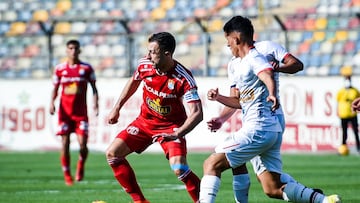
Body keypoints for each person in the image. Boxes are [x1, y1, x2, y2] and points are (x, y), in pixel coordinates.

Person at [198, 15, 341, 203]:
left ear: (236, 38)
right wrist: (219, 104)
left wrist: (273, 90)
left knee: (211, 164)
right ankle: (322, 200)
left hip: (261, 125)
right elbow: (238, 100)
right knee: (272, 188)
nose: (227, 46)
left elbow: (270, 73)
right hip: (265, 127)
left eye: (227, 41)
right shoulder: (234, 64)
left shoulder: (260, 52)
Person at [106, 32, 203, 203]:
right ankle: (140, 201)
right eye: (148, 51)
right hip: (145, 122)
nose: (148, 56)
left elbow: (197, 113)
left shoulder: (183, 78)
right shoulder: (145, 65)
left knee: (179, 168)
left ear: (167, 54)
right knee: (113, 154)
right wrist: (117, 108)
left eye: (153, 52)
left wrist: (178, 133)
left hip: (171, 127)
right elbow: (133, 82)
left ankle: (204, 201)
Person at [49, 39, 99, 186]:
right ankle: (67, 175)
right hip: (64, 114)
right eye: (70, 48)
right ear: (66, 50)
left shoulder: (86, 68)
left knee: (83, 145)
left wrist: (96, 103)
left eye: (75, 48)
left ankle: (81, 166)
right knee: (64, 144)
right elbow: (55, 88)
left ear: (79, 50)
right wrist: (51, 102)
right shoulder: (59, 69)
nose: (73, 51)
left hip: (80, 114)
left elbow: (94, 88)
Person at [336, 73, 360, 152]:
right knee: (344, 132)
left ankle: (358, 147)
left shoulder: (355, 90)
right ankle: (343, 148)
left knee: (356, 131)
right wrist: (338, 112)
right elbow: (338, 102)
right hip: (344, 114)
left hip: (352, 114)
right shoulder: (341, 91)